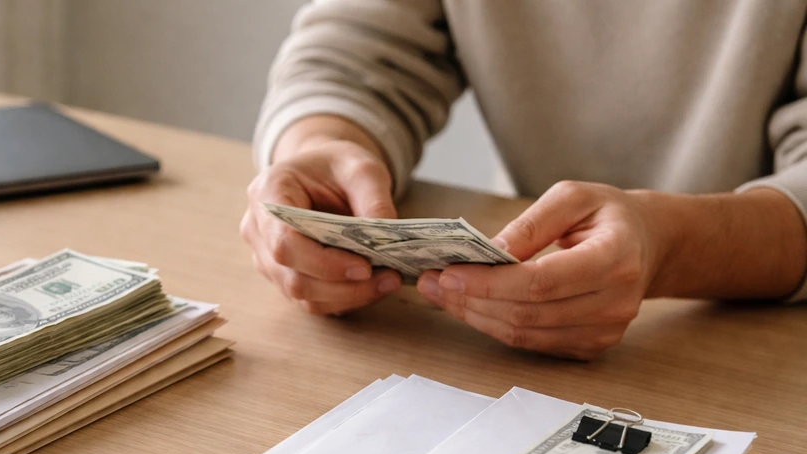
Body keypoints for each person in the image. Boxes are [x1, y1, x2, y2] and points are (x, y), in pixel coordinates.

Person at [239, 0, 807, 359]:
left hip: (765, 356)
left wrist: (672, 247)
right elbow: (352, 54)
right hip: (505, 355)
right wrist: (316, 146)